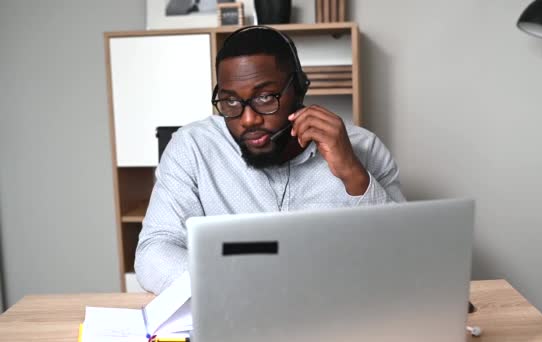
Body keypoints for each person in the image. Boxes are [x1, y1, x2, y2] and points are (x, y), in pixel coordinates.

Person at [135, 26, 405, 294]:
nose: (248, 119)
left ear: (298, 89)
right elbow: (154, 251)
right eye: (230, 101)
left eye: (265, 97)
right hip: (233, 317)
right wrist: (238, 288)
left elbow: (404, 256)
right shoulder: (193, 147)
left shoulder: (364, 148)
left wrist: (353, 174)